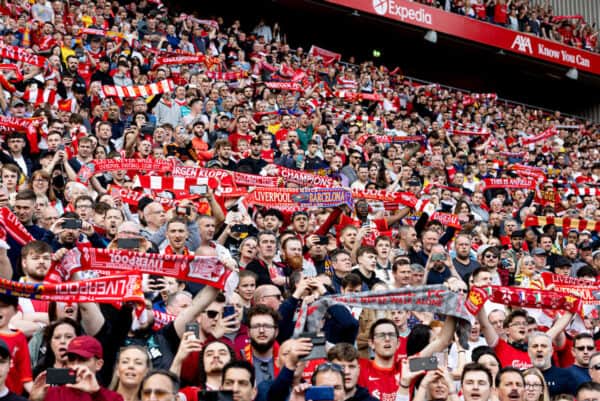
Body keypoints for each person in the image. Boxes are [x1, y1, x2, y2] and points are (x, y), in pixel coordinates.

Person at [43, 335, 123, 401]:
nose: (75, 365)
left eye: (83, 359)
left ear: (98, 364)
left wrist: (96, 394)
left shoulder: (114, 398)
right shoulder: (54, 393)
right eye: (71, 359)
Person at [527, 332, 577, 397]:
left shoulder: (566, 376)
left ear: (551, 351)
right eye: (535, 346)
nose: (539, 349)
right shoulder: (522, 376)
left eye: (544, 346)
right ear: (528, 352)